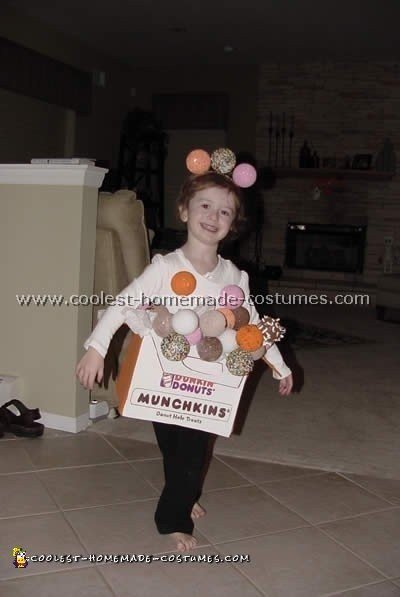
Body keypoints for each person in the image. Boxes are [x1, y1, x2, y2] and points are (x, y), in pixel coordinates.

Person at [76, 169, 293, 552]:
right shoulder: (165, 268)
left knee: (193, 451)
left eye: (225, 212)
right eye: (205, 206)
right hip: (163, 377)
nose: (213, 216)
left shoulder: (234, 277)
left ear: (233, 223)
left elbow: (254, 325)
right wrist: (97, 346)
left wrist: (280, 365)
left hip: (208, 384)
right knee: (174, 449)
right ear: (184, 211)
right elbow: (126, 301)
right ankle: (184, 491)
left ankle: (172, 518)